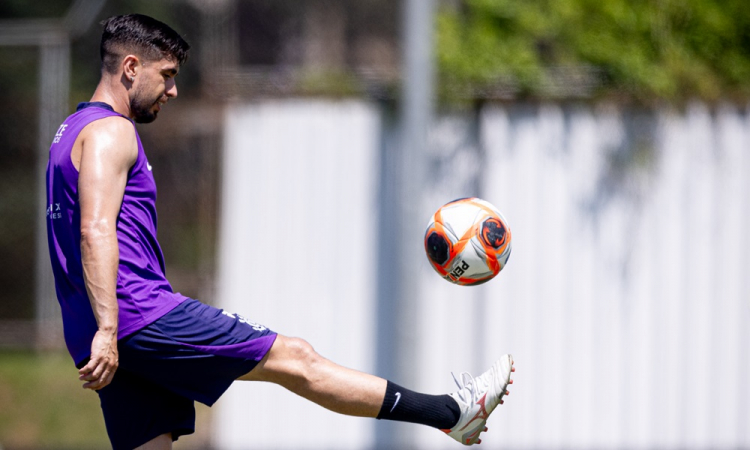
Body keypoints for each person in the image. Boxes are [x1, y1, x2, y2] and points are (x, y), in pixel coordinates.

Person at [45, 13, 515, 450]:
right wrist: (111, 327)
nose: (171, 91)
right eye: (166, 75)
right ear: (131, 66)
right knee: (295, 358)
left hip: (95, 328)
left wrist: (101, 330)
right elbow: (95, 230)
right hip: (136, 315)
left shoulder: (71, 131)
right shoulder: (112, 133)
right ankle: (451, 413)